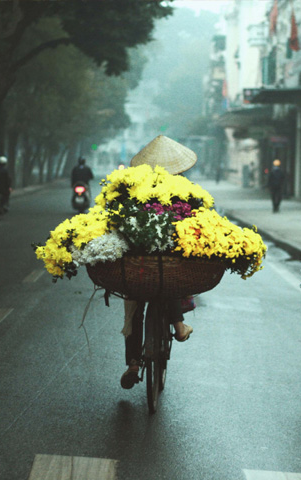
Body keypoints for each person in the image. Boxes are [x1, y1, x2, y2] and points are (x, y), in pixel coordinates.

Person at [119, 135, 196, 389]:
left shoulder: (133, 189)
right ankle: (178, 325)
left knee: (133, 312)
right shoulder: (184, 190)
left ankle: (133, 362)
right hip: (163, 259)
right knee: (168, 279)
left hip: (138, 262)